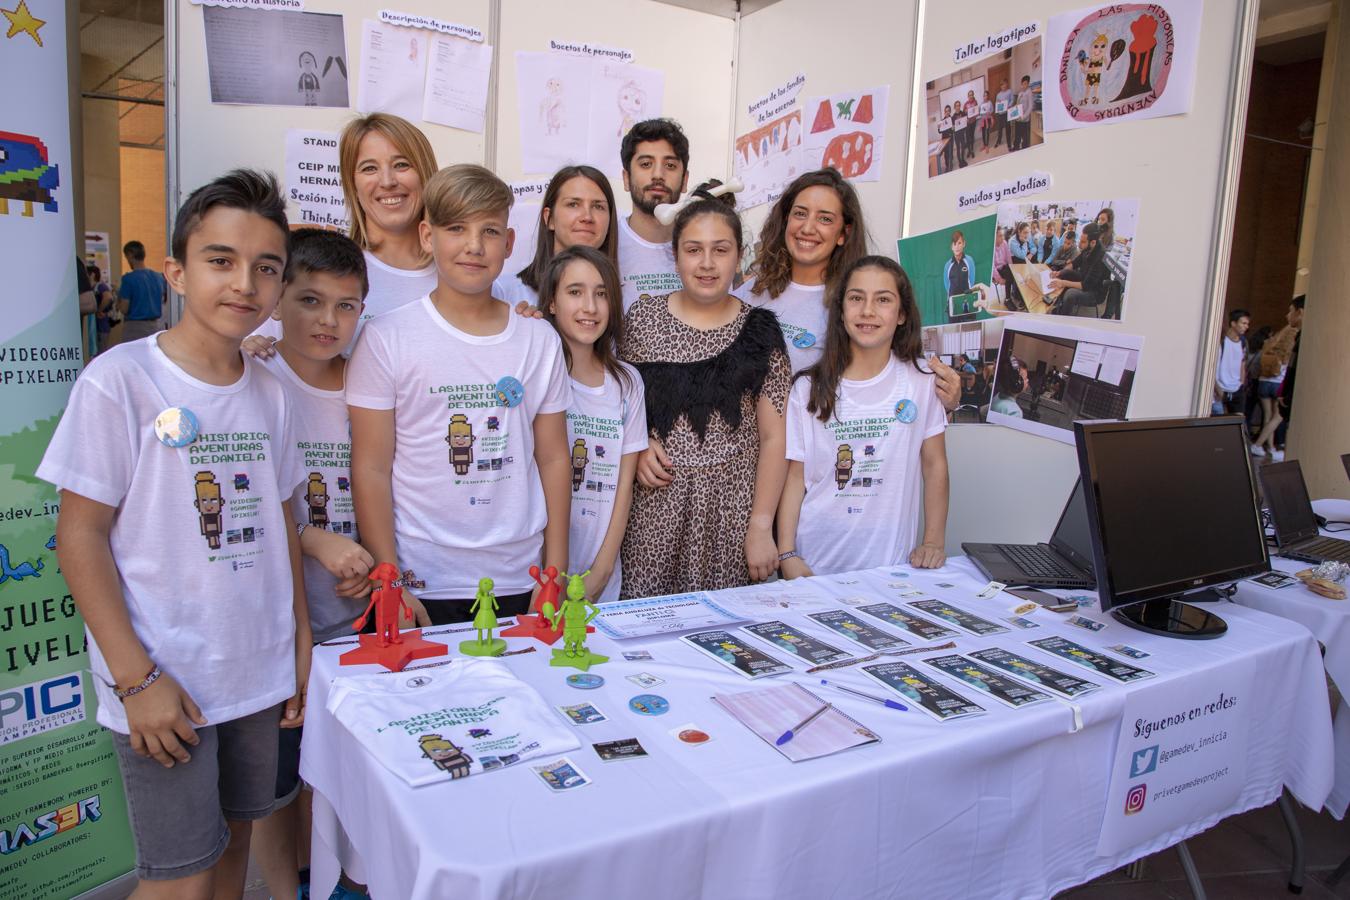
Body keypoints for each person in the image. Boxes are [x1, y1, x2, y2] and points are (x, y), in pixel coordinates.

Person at [37, 170, 309, 899]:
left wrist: (299, 645)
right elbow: (79, 537)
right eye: (221, 260)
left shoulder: (274, 394)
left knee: (232, 857)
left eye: (266, 268)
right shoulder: (118, 380)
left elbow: (282, 523)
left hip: (256, 675)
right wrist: (137, 680)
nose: (244, 283)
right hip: (166, 682)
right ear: (177, 272)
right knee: (178, 883)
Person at [347, 164, 573, 626]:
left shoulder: (539, 339)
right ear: (428, 236)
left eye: (489, 231)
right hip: (420, 581)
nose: (474, 245)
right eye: (456, 229)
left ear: (509, 245)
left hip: (520, 579)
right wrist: (387, 577)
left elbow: (553, 459)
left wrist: (555, 570)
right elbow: (370, 467)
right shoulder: (386, 337)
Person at [252, 230, 376, 900]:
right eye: (309, 301)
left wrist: (372, 563)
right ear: (276, 299)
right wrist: (314, 539)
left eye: (346, 305)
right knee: (282, 776)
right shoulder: (255, 378)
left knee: (346, 768)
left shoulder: (367, 381)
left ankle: (347, 879)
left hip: (355, 613)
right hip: (282, 618)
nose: (327, 321)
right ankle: (286, 888)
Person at [620, 185, 790, 596]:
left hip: (731, 519)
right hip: (653, 513)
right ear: (675, 255)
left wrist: (762, 527)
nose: (708, 263)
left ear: (738, 256)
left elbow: (773, 437)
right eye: (694, 250)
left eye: (721, 249)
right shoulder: (643, 319)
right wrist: (640, 443)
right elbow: (617, 407)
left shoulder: (761, 331)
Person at [777, 255, 949, 576]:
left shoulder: (921, 381)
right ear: (841, 312)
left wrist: (934, 542)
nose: (868, 310)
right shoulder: (807, 388)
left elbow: (935, 464)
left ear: (901, 314)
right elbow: (795, 477)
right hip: (815, 563)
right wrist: (787, 553)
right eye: (856, 298)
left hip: (891, 567)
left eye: (883, 300)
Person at [248, 113, 440, 357]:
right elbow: (255, 349)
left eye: (402, 164)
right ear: (353, 184)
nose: (388, 181)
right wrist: (247, 351)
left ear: (426, 174)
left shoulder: (459, 273)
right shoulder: (323, 268)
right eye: (369, 168)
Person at [539, 246, 647, 602]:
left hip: (600, 577)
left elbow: (624, 486)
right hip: (538, 574)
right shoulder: (536, 373)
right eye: (575, 292)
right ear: (551, 303)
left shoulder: (627, 383)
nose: (590, 307)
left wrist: (600, 573)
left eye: (601, 294)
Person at [737, 168, 867, 374]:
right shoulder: (752, 290)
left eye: (825, 219)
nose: (807, 228)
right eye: (800, 213)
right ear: (786, 219)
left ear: (844, 233)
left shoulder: (851, 306)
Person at [496, 164, 617, 305]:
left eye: (598, 206)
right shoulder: (504, 292)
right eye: (573, 204)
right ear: (549, 218)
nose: (587, 217)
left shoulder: (621, 295)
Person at [617, 118, 689, 311]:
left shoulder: (703, 246)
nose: (658, 174)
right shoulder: (605, 242)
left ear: (685, 180)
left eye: (670, 165)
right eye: (646, 164)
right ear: (626, 178)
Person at [1251, 296, 1303, 460]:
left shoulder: (1276, 341)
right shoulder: (1296, 338)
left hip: (1264, 382)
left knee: (1269, 417)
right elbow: (1290, 369)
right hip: (1277, 384)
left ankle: (1268, 447)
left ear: (1299, 312)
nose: (1287, 316)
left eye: (1290, 311)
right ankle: (1261, 445)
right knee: (1276, 418)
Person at [1048, 223, 1109, 314]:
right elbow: (1075, 263)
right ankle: (1060, 304)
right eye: (1080, 240)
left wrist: (1063, 283)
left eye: (1083, 242)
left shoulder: (1100, 257)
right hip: (1084, 278)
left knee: (1070, 294)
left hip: (1094, 292)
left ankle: (1063, 317)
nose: (1079, 244)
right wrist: (1059, 272)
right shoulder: (1088, 247)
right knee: (1064, 273)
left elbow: (1086, 285)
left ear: (1093, 242)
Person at [117, 239, 168, 343]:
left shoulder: (128, 279)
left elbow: (124, 308)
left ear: (130, 255)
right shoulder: (158, 277)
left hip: (134, 328)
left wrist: (117, 302)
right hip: (155, 327)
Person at [1212, 308, 1249, 417]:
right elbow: (1213, 366)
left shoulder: (1243, 342)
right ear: (1233, 323)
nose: (1246, 326)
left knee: (1238, 424)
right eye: (1243, 323)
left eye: (1247, 324)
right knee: (1218, 424)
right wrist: (1217, 388)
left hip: (1237, 389)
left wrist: (1241, 383)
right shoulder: (1221, 341)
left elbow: (1242, 364)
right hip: (1220, 389)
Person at [89, 264, 117, 354]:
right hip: (96, 326)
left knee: (100, 352)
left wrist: (99, 310)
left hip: (101, 325)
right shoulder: (92, 288)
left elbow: (108, 297)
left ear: (92, 274)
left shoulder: (100, 286)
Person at [990, 352, 1026, 417]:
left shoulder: (997, 396)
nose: (1027, 380)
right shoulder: (1014, 412)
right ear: (1016, 383)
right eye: (1025, 378)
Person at [943, 229, 976, 298]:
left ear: (964, 244)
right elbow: (947, 285)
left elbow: (971, 280)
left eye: (959, 243)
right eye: (954, 244)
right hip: (953, 301)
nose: (957, 247)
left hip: (967, 298)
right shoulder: (947, 265)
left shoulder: (969, 260)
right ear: (952, 247)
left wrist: (968, 293)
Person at [1013, 75, 1034, 150]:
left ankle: (1025, 150)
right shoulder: (1020, 93)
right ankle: (1016, 148)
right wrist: (1013, 112)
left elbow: (1030, 107)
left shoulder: (1029, 92)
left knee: (1025, 137)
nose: (1024, 85)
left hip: (1024, 119)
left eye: (1025, 83)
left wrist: (1024, 116)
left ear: (1028, 84)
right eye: (1022, 84)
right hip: (1018, 118)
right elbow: (1017, 103)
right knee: (1017, 135)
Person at [995, 79, 1014, 148]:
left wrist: (1009, 106)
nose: (1003, 86)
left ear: (1007, 84)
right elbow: (996, 103)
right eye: (1002, 84)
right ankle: (998, 140)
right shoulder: (998, 95)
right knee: (999, 128)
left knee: (1008, 128)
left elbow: (1012, 100)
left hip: (1007, 113)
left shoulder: (1010, 91)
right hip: (1000, 114)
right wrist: (998, 104)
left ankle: (1009, 143)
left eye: (1004, 84)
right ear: (1000, 86)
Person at [962, 90, 979, 160]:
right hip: (968, 123)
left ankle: (971, 150)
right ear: (968, 96)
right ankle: (969, 150)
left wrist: (976, 114)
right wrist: (965, 112)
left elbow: (977, 111)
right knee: (968, 137)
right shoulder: (966, 104)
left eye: (972, 94)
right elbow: (963, 114)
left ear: (973, 95)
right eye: (969, 95)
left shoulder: (975, 102)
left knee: (972, 136)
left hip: (974, 122)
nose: (971, 96)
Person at [938, 105, 955, 173]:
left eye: (948, 111)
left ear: (950, 111)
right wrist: (939, 127)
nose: (947, 112)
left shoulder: (952, 119)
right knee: (946, 154)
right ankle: (947, 166)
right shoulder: (942, 121)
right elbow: (940, 131)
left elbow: (954, 130)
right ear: (944, 112)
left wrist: (953, 128)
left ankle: (950, 166)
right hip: (944, 139)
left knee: (950, 152)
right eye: (946, 111)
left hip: (950, 138)